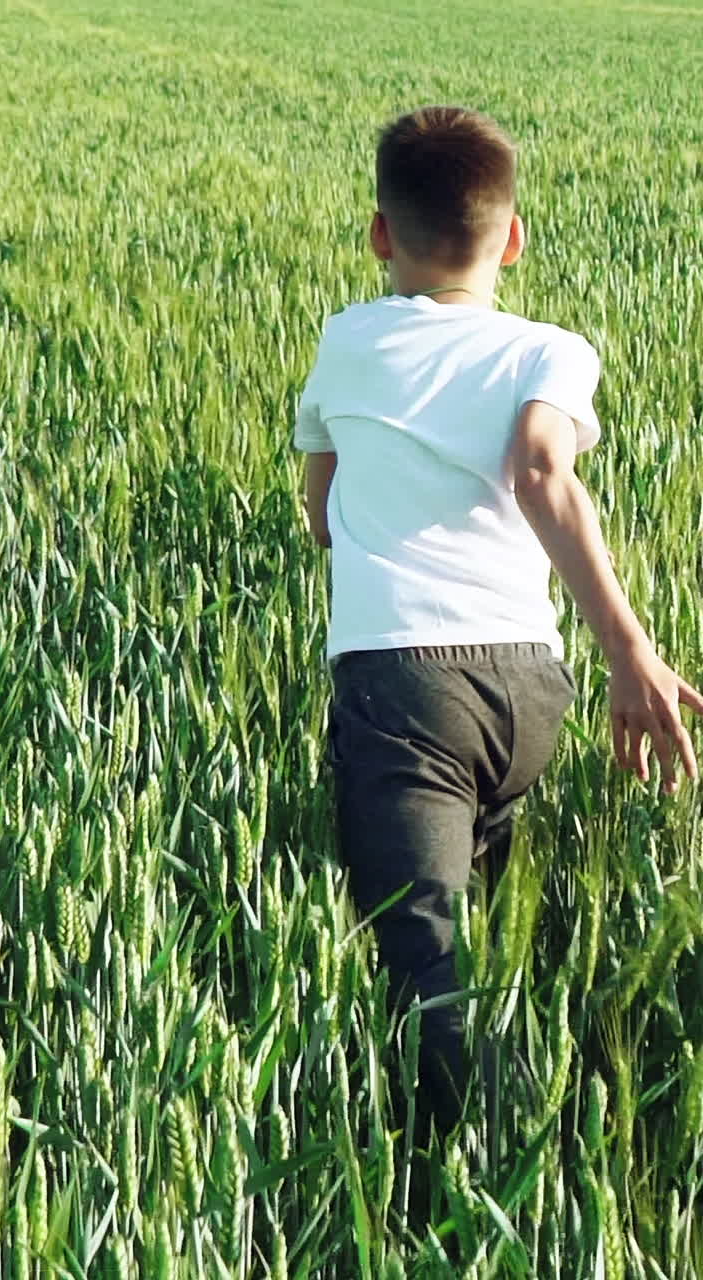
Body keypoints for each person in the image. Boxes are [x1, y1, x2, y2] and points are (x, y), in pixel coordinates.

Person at [292, 105, 703, 1134]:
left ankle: (454, 1161)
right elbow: (543, 466)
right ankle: (543, 1122)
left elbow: (322, 514)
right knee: (487, 911)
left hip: (403, 684)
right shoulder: (550, 350)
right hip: (530, 685)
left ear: (379, 234)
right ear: (512, 239)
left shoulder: (347, 339)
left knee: (422, 946)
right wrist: (630, 650)